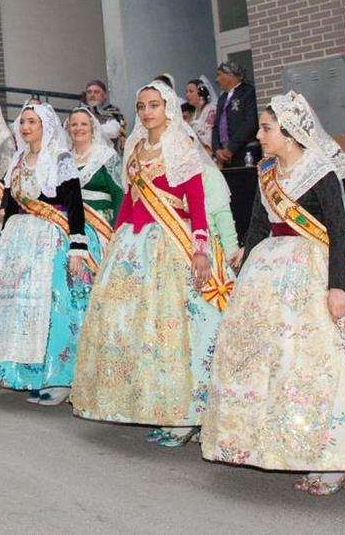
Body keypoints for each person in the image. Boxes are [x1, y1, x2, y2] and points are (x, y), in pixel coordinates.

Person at [200, 92, 345, 495]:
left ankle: (334, 460)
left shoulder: (320, 172)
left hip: (314, 268)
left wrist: (336, 288)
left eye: (267, 129)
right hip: (270, 271)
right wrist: (245, 268)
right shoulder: (266, 171)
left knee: (318, 366)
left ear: (289, 134)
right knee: (272, 364)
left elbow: (340, 233)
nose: (259, 135)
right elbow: (257, 226)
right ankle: (280, 448)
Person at [71, 80, 227, 444]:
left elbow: (197, 203)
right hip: (134, 245)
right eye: (141, 106)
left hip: (170, 244)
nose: (146, 112)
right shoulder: (135, 149)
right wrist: (114, 239)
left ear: (167, 108)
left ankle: (185, 416)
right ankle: (151, 405)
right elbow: (129, 201)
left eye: (153, 105)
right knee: (133, 329)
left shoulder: (182, 147)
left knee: (174, 331)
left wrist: (200, 248)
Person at [0, 102, 94, 405]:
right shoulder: (17, 159)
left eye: (32, 122)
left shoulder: (60, 158)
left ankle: (58, 378)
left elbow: (74, 205)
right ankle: (25, 376)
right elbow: (11, 205)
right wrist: (1, 237)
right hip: (18, 242)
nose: (26, 128)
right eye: (23, 122)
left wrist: (78, 247)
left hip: (49, 239)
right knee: (19, 310)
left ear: (45, 126)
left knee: (53, 308)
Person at [65, 105, 124, 255]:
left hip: (102, 222)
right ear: (67, 129)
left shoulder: (106, 155)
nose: (78, 128)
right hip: (71, 226)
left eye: (84, 124)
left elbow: (118, 193)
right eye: (74, 124)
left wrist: (117, 229)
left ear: (93, 128)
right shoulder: (64, 159)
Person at [210, 61, 259, 167]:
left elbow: (250, 123)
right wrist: (217, 149)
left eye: (219, 75)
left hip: (245, 151)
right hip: (224, 156)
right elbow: (216, 126)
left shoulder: (248, 92)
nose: (216, 80)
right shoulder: (222, 98)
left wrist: (231, 148)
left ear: (231, 75)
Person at [185, 76, 218, 145]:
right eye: (186, 92)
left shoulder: (211, 110)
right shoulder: (194, 113)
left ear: (201, 94)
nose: (187, 95)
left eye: (191, 91)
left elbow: (210, 135)